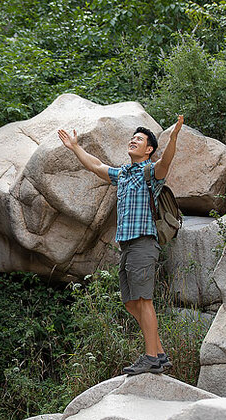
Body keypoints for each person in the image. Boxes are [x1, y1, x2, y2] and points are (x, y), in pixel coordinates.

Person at [58, 115, 183, 375]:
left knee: (143, 299)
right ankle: (158, 353)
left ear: (148, 149)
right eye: (132, 138)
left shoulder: (150, 172)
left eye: (139, 139)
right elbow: (95, 165)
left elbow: (166, 162)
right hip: (127, 247)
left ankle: (151, 357)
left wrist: (173, 137)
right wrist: (75, 147)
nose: (133, 141)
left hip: (143, 243)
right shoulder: (124, 174)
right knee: (130, 302)